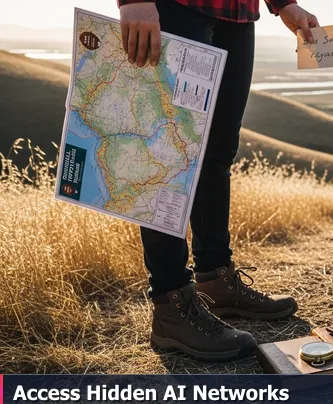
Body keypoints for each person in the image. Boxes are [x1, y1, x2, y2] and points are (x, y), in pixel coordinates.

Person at [117, 0, 320, 361]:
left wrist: (284, 4)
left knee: (217, 153)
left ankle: (215, 279)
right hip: (175, 7)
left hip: (238, 13)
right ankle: (171, 305)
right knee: (168, 158)